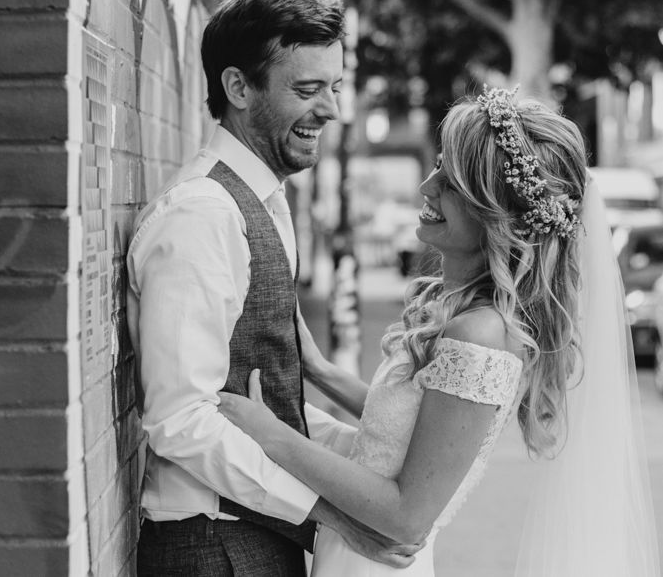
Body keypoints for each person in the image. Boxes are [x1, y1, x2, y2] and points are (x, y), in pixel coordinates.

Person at [219, 86, 661, 576]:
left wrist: (271, 436)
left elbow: (407, 516)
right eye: (438, 166)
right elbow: (402, 432)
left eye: (449, 183)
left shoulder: (481, 335)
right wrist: (318, 369)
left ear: (495, 214)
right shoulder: (464, 317)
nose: (427, 187)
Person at [126, 0, 419, 577]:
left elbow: (275, 401)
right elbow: (180, 419)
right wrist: (331, 513)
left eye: (334, 87)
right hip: (214, 548)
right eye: (307, 89)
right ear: (237, 86)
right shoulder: (202, 214)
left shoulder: (264, 202)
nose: (332, 109)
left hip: (254, 541)